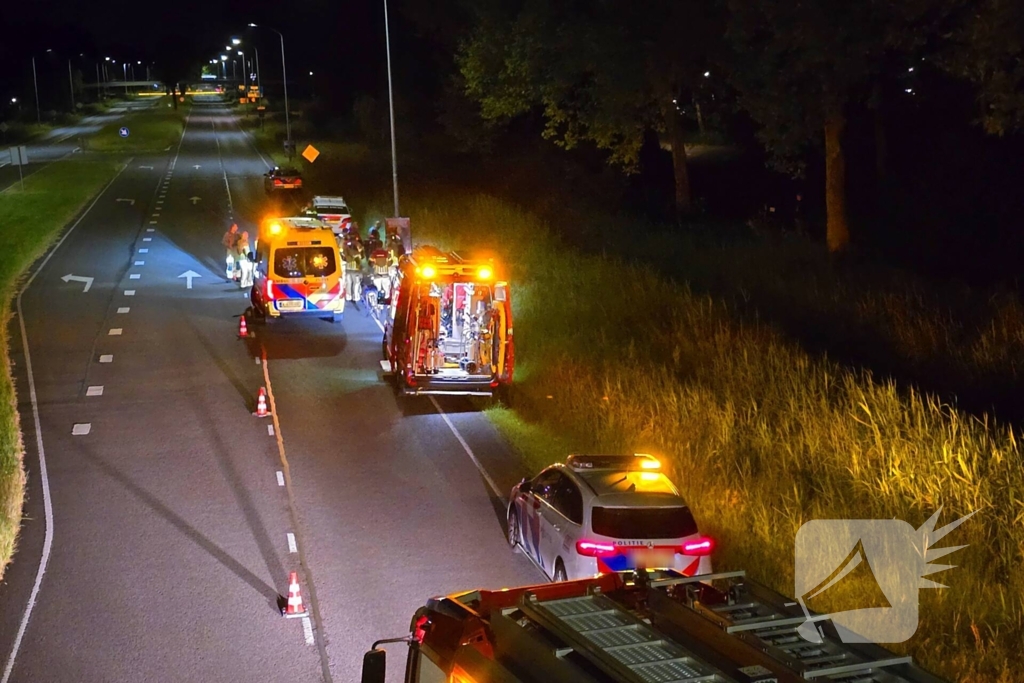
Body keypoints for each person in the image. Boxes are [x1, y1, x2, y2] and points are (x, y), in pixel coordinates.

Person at [342, 234, 365, 305]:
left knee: (348, 283)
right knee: (356, 284)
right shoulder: (357, 246)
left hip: (348, 269)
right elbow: (362, 256)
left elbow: (343, 256)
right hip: (355, 269)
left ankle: (348, 297)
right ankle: (356, 297)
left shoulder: (345, 246)